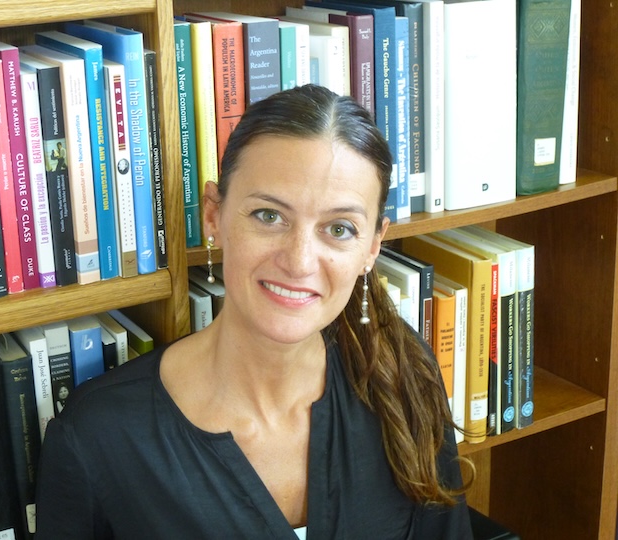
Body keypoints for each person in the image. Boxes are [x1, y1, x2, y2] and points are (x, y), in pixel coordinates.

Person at [34, 84, 473, 539]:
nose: (299, 261)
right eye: (269, 216)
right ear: (214, 215)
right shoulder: (95, 438)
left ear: (372, 247)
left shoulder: (404, 375)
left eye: (339, 228)